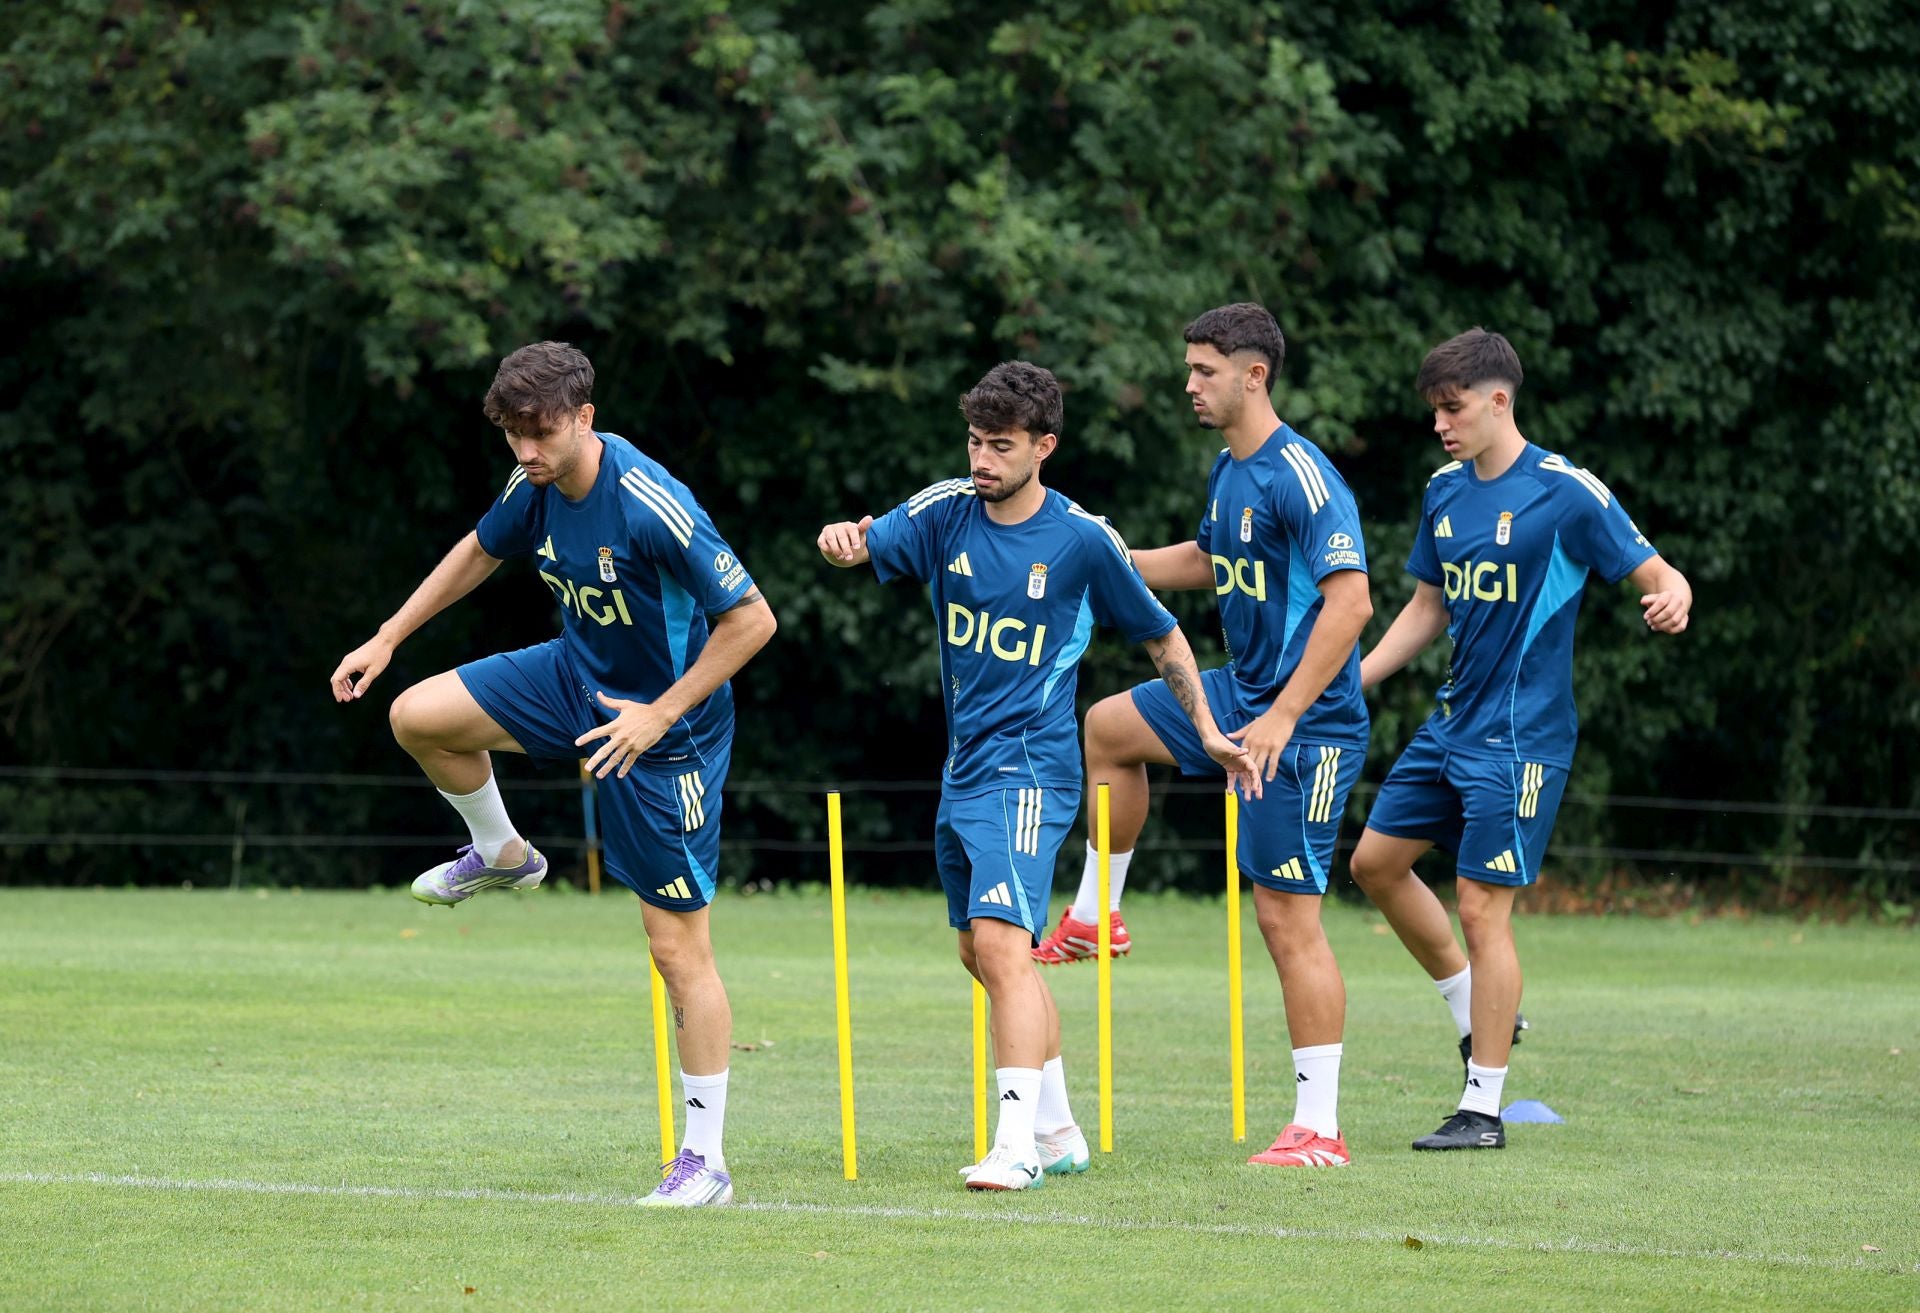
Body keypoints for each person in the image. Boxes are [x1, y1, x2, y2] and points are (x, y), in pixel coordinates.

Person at [329, 341, 777, 1205]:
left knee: (677, 950)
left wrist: (659, 714)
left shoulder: (653, 504)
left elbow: (752, 619)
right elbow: (477, 549)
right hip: (573, 680)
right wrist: (388, 636)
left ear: (584, 419)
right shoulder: (531, 485)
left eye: (540, 434)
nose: (525, 452)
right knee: (416, 716)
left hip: (663, 734)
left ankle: (706, 1161)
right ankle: (502, 851)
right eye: (512, 436)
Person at [817, 360, 1251, 1190]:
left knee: (1003, 948)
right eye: (975, 441)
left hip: (1032, 770)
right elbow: (868, 541)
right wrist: (845, 541)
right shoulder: (947, 511)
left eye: (1001, 445)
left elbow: (1163, 638)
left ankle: (1013, 1145)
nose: (982, 459)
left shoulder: (1085, 540)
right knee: (979, 954)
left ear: (1044, 446)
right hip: (964, 768)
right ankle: (1055, 1131)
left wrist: (1207, 729)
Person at [1041, 303, 1374, 1169]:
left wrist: (1285, 716)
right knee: (1109, 727)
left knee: (1285, 918)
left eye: (1202, 370)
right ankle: (1094, 915)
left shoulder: (1302, 476)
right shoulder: (1232, 472)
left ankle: (1320, 1128)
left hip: (1308, 724)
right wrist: (1102, 553)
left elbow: (1352, 602)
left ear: (1253, 374)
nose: (1187, 385)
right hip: (1240, 693)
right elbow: (1207, 558)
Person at [1350, 327, 1691, 1151]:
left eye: (1453, 406)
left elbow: (1656, 570)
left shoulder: (1565, 491)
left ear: (1499, 400)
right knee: (1373, 863)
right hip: (1451, 723)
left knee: (1480, 905)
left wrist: (1672, 596)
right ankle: (1482, 1014)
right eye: (1435, 408)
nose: (1441, 421)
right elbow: (1429, 606)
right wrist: (1350, 679)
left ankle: (1483, 1107)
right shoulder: (1444, 491)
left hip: (1522, 739)